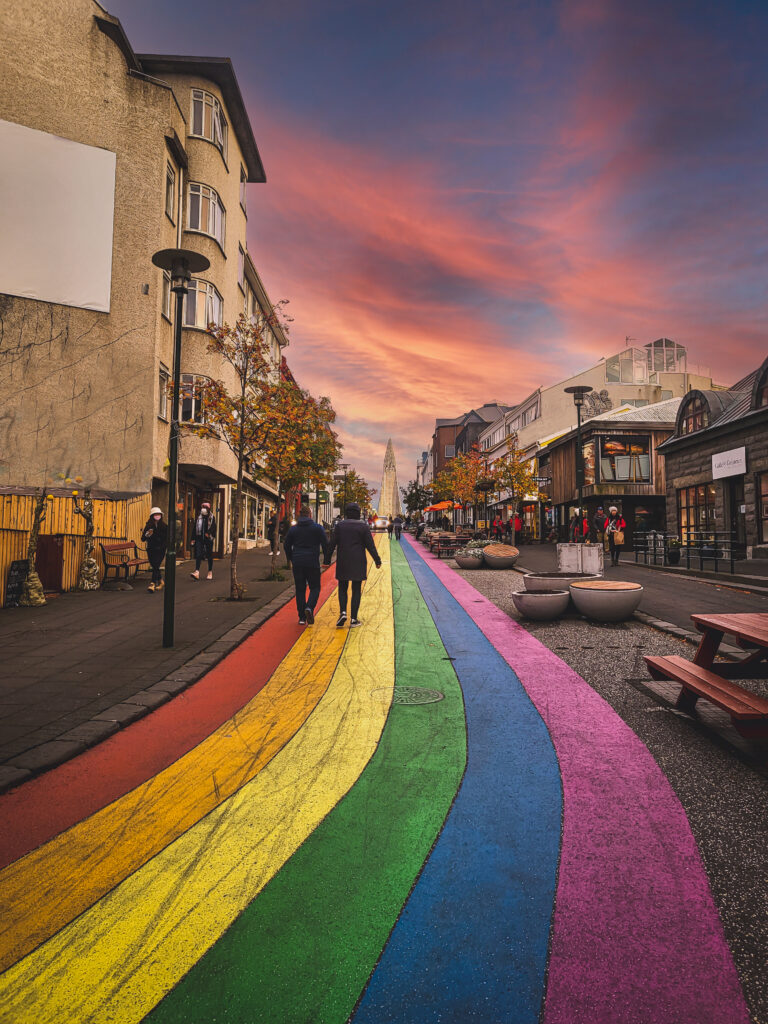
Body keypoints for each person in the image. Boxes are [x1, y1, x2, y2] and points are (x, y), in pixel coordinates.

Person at [325, 502, 381, 627]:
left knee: (343, 588)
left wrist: (327, 560)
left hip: (343, 560)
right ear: (358, 513)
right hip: (358, 561)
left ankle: (343, 612)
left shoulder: (340, 526)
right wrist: (377, 560)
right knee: (356, 590)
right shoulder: (363, 527)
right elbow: (370, 546)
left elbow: (332, 544)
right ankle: (354, 619)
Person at [284, 506, 328, 625]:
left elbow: (286, 545)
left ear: (300, 515)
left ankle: (302, 617)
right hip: (312, 562)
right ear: (310, 515)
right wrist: (326, 560)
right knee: (315, 587)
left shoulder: (294, 529)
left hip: (298, 562)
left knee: (300, 589)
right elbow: (325, 544)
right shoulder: (318, 528)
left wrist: (291, 558)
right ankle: (309, 607)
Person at [141, 506, 167, 592]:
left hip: (161, 549)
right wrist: (148, 534)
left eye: (158, 514)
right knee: (155, 566)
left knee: (156, 564)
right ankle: (161, 581)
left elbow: (167, 538)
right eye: (155, 514)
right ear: (152, 516)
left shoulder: (164, 526)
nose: (157, 516)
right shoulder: (148, 525)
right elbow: (143, 538)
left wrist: (164, 546)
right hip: (151, 549)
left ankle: (152, 583)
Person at [190, 501, 216, 580]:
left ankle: (210, 571)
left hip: (208, 538)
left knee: (209, 555)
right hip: (199, 538)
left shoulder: (212, 517)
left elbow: (213, 527)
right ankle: (197, 571)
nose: (203, 509)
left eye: (205, 508)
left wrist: (209, 533)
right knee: (198, 554)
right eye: (203, 507)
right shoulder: (199, 517)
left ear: (208, 509)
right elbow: (195, 527)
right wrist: (193, 538)